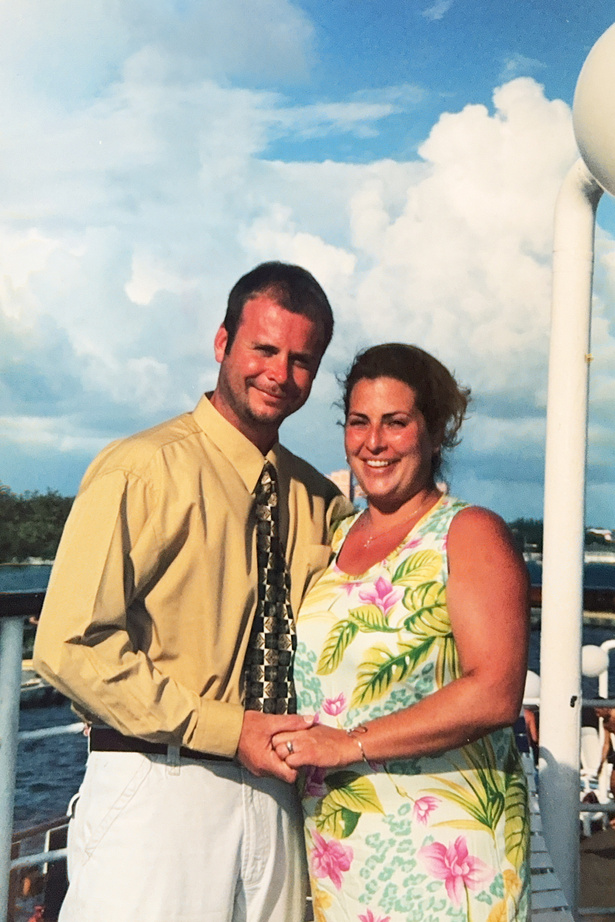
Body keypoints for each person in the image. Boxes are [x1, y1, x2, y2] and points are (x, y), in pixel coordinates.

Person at [33, 261, 352, 922]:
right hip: (160, 786)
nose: (279, 373)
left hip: (278, 799)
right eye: (264, 349)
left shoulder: (320, 500)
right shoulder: (141, 469)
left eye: (301, 360)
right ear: (222, 342)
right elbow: (70, 646)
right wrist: (228, 730)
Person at [271, 343, 531, 921]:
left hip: (447, 852)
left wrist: (349, 742)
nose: (374, 442)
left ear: (435, 434)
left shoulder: (468, 532)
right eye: (358, 422)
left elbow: (495, 692)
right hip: (347, 852)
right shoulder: (339, 536)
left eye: (395, 422)